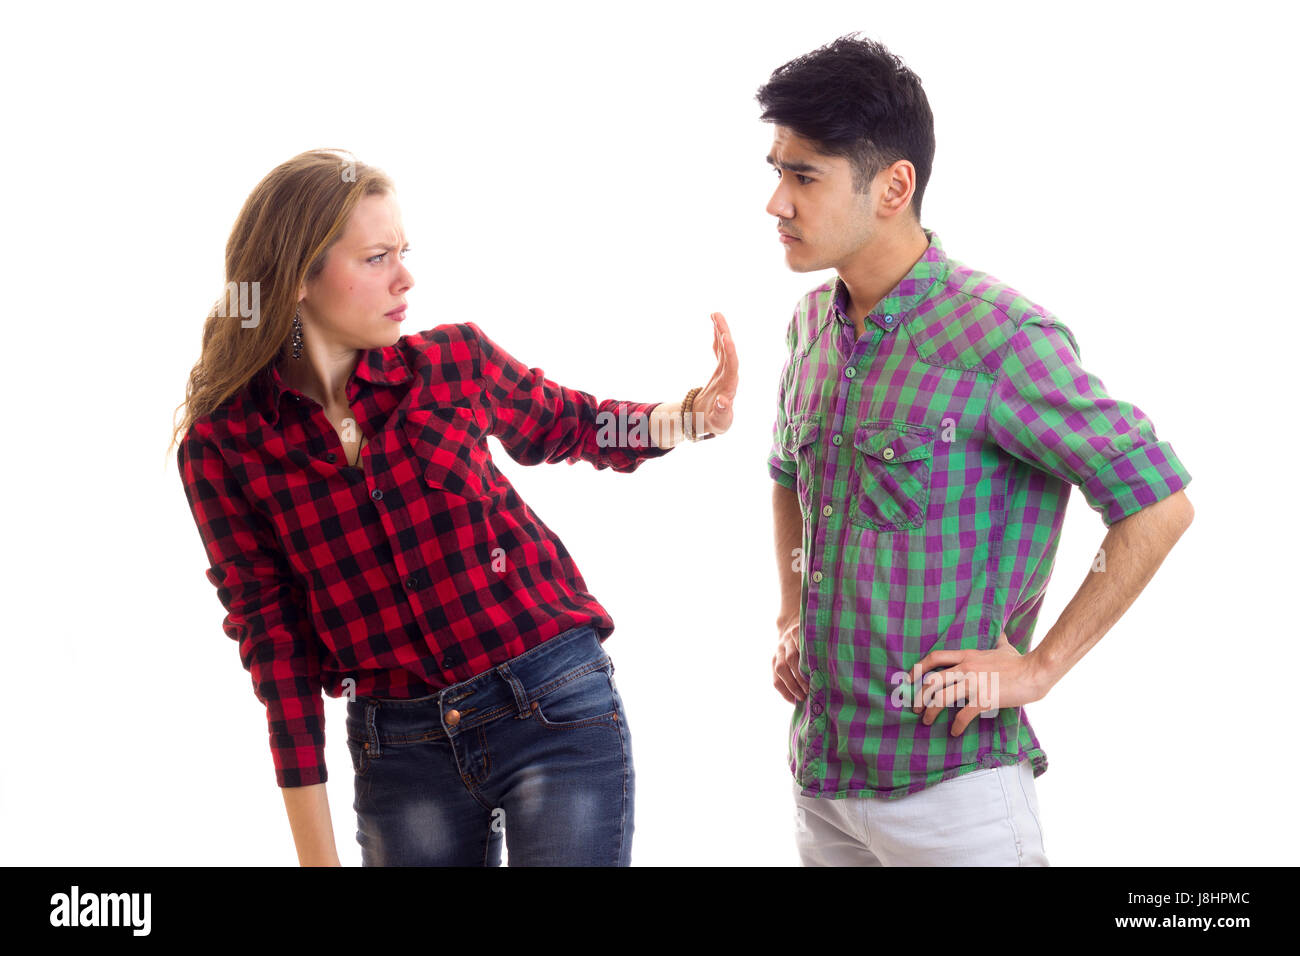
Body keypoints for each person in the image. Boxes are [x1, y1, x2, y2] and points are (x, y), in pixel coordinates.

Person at [171, 149, 737, 866]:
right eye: (378, 257)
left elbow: (570, 423)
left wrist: (689, 417)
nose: (406, 278)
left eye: (404, 253)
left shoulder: (451, 362)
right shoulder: (225, 449)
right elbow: (275, 648)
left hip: (553, 702)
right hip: (399, 752)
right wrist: (317, 859)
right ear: (296, 280)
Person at [759, 35, 1194, 866]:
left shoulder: (999, 339)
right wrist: (789, 611)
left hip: (953, 798)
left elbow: (1157, 502)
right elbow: (787, 475)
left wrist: (1039, 669)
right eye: (775, 169)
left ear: (894, 186)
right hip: (821, 783)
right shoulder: (811, 326)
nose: (776, 201)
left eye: (803, 175)